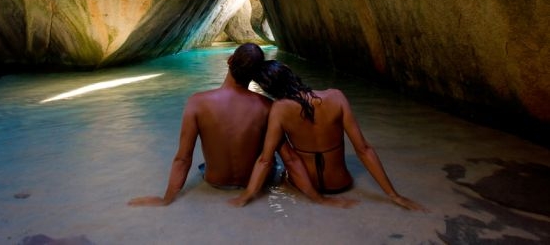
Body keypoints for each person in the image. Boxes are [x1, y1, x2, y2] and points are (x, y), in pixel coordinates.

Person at [128, 44, 353, 207]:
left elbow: (183, 158)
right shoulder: (267, 106)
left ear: (229, 61)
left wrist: (166, 199)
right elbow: (290, 159)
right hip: (258, 183)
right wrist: (319, 199)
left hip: (215, 182)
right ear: (255, 75)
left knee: (203, 165)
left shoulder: (197, 103)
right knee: (273, 163)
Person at [228, 60, 426, 211]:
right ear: (291, 74)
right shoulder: (336, 97)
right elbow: (363, 149)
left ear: (268, 89)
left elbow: (265, 160)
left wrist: (247, 195)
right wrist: (394, 195)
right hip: (341, 184)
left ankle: (315, 199)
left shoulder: (278, 110)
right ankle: (322, 199)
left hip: (303, 185)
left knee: (277, 146)